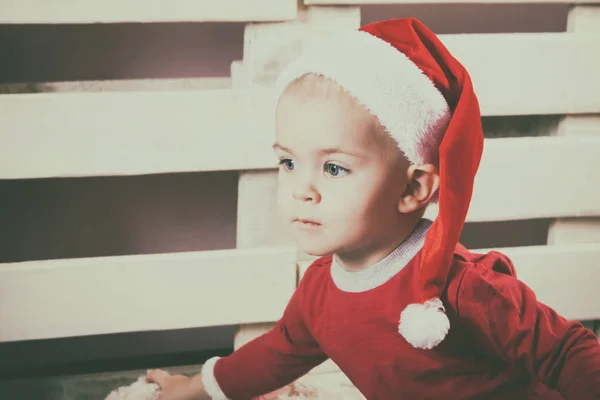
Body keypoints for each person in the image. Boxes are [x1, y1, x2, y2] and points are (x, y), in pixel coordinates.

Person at [146, 18, 600, 399]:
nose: (302, 189)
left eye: (335, 168)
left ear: (413, 188)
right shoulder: (321, 290)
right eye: (288, 162)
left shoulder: (463, 287)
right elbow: (278, 352)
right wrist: (194, 388)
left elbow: (567, 352)